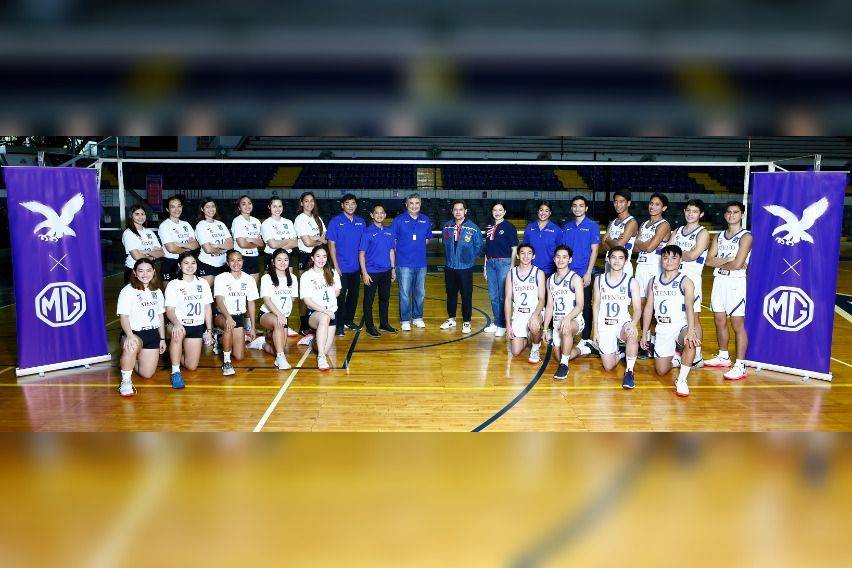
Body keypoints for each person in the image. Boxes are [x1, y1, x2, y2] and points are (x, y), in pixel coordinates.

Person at [640, 245, 700, 398]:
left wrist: (691, 331)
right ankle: (678, 359)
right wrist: (644, 333)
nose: (669, 261)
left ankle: (681, 380)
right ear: (661, 260)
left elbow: (690, 307)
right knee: (661, 371)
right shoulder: (653, 281)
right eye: (665, 257)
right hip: (662, 328)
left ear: (680, 260)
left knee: (691, 341)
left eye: (674, 258)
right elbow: (648, 309)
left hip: (680, 326)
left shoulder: (686, 281)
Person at [704, 201, 752, 380]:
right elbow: (708, 261)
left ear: (742, 215)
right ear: (725, 215)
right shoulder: (719, 236)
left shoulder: (746, 236)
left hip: (736, 283)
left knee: (737, 324)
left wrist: (722, 260)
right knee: (719, 320)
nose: (732, 215)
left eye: (736, 212)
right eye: (729, 212)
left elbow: (739, 265)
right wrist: (729, 259)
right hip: (719, 280)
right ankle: (723, 356)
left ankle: (740, 365)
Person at [591, 246, 641, 389]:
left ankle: (629, 371)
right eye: (613, 257)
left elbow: (637, 308)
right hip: (604, 324)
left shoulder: (631, 281)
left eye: (620, 258)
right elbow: (596, 305)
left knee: (632, 334)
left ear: (626, 261)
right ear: (608, 259)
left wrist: (633, 323)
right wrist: (595, 330)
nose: (616, 261)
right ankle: (620, 353)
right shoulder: (599, 280)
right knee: (608, 366)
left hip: (622, 323)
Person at [116, 258, 166, 397]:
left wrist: (162, 339)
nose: (145, 274)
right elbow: (124, 317)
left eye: (148, 270)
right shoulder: (128, 291)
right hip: (134, 333)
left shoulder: (157, 290)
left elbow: (160, 317)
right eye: (141, 271)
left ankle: (131, 359)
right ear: (134, 272)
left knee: (147, 374)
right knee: (131, 345)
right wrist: (130, 335)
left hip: (152, 334)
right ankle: (125, 381)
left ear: (153, 272)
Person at [164, 252, 214, 389]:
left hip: (196, 326)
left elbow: (207, 308)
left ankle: (174, 352)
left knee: (191, 366)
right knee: (178, 333)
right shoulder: (174, 285)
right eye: (186, 263)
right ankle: (175, 371)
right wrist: (177, 324)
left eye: (193, 263)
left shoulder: (203, 283)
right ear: (179, 265)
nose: (190, 266)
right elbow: (169, 310)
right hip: (179, 324)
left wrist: (209, 331)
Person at [671, 199, 709, 368]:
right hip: (674, 277)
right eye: (688, 210)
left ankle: (698, 355)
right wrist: (678, 255)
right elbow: (668, 252)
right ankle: (678, 352)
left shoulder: (703, 233)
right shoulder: (678, 230)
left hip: (692, 278)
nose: (690, 214)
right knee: (676, 316)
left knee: (694, 317)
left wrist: (675, 255)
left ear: (700, 214)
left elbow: (693, 255)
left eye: (694, 211)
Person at [542, 245, 590, 380]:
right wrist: (545, 329)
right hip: (557, 322)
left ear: (570, 260)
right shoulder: (550, 280)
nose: (561, 260)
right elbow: (550, 306)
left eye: (564, 257)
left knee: (566, 330)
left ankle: (564, 366)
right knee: (558, 356)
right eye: (558, 257)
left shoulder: (575, 278)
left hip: (574, 320)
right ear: (554, 259)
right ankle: (583, 348)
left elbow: (580, 305)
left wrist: (568, 318)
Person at [633, 193, 671, 357]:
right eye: (651, 203)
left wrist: (641, 244)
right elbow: (635, 249)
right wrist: (642, 245)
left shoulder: (664, 225)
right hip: (641, 266)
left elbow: (649, 247)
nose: (652, 206)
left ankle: (656, 341)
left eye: (657, 204)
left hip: (655, 266)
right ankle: (645, 340)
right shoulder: (644, 224)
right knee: (640, 307)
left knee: (654, 307)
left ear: (664, 208)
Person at [440, 200, 483, 334]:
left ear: (465, 211)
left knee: (466, 295)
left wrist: (469, 260)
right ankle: (451, 319)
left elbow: (479, 246)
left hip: (465, 268)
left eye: (460, 209)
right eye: (455, 209)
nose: (458, 212)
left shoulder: (473, 228)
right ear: (452, 211)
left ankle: (466, 322)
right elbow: (445, 245)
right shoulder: (447, 226)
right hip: (450, 267)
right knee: (451, 295)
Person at [327, 193, 367, 336]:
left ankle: (349, 320)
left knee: (354, 296)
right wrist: (336, 266)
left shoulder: (361, 222)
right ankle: (338, 324)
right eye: (347, 203)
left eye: (353, 203)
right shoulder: (335, 221)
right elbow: (331, 244)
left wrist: (363, 268)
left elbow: (364, 246)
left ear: (356, 205)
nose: (350, 206)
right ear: (342, 205)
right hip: (341, 267)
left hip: (356, 267)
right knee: (339, 297)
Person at [391, 193, 432, 331]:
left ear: (420, 204)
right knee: (404, 293)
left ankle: (418, 317)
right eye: (411, 203)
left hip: (421, 263)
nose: (414, 206)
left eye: (417, 203)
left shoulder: (425, 220)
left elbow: (427, 239)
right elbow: (393, 241)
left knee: (420, 292)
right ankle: (405, 320)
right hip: (403, 264)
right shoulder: (398, 220)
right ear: (406, 205)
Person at [213, 250, 259, 376]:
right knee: (229, 325)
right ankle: (226, 362)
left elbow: (251, 303)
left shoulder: (249, 279)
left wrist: (253, 328)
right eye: (232, 260)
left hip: (239, 317)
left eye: (239, 260)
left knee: (239, 356)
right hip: (222, 315)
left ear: (243, 261)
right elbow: (219, 301)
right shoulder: (221, 278)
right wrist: (228, 317)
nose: (236, 263)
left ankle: (219, 338)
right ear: (228, 263)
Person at [562, 195, 600, 343]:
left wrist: (589, 272)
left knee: (585, 305)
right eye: (575, 205)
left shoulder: (592, 225)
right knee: (568, 303)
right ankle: (568, 332)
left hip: (584, 272)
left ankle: (585, 339)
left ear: (586, 208)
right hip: (568, 273)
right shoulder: (567, 226)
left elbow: (595, 250)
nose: (578, 208)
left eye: (581, 205)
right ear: (572, 208)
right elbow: (564, 251)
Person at [261, 196, 299, 337]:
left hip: (286, 258)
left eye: (280, 206)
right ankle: (269, 328)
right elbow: (272, 245)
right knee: (274, 291)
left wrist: (280, 242)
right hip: (271, 258)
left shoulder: (288, 222)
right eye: (274, 206)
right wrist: (286, 241)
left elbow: (295, 242)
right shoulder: (266, 224)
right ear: (269, 207)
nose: (277, 209)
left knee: (287, 291)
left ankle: (284, 323)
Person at [299, 245, 342, 371]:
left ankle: (312, 340)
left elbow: (337, 291)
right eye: (318, 256)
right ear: (312, 258)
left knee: (325, 347)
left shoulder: (332, 272)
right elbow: (307, 300)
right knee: (324, 318)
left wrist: (330, 300)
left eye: (324, 256)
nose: (321, 259)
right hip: (315, 313)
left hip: (332, 313)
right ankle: (321, 358)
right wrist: (324, 309)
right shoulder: (306, 276)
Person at [359, 204, 397, 338]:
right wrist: (364, 273)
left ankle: (384, 323)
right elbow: (362, 254)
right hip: (371, 272)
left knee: (384, 299)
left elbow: (391, 251)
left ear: (385, 215)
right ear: (372, 215)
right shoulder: (367, 232)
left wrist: (393, 269)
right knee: (368, 301)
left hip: (386, 271)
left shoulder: (389, 231)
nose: (379, 215)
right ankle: (369, 327)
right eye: (376, 213)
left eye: (382, 213)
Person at [259, 249, 299, 370]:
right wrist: (279, 315)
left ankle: (262, 344)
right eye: (279, 259)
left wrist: (283, 314)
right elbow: (267, 300)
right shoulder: (267, 278)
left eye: (286, 260)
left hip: (283, 317)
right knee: (277, 322)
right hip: (266, 314)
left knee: (278, 348)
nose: (283, 262)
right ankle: (280, 359)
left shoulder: (292, 278)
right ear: (273, 262)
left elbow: (292, 298)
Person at [504, 243, 546, 361]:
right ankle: (529, 337)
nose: (526, 256)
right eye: (522, 253)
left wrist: (535, 315)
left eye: (529, 253)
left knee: (533, 324)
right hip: (518, 315)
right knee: (516, 352)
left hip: (535, 312)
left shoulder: (539, 273)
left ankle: (535, 347)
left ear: (533, 256)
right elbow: (507, 299)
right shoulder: (511, 274)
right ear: (517, 256)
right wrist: (508, 325)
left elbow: (542, 299)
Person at [294, 191, 327, 337]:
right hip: (305, 256)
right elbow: (306, 242)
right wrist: (317, 239)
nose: (309, 203)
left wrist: (316, 239)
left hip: (319, 255)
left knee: (317, 289)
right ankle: (303, 323)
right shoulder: (299, 219)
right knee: (305, 291)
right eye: (306, 201)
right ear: (301, 203)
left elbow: (325, 238)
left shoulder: (318, 218)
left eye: (311, 201)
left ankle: (314, 321)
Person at [484, 200, 518, 336]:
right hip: (491, 264)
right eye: (494, 210)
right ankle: (497, 322)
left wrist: (511, 267)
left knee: (504, 296)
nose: (497, 213)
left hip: (504, 263)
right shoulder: (489, 227)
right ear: (492, 212)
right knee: (493, 296)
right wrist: (485, 267)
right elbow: (487, 249)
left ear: (504, 212)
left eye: (500, 210)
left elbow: (514, 249)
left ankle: (503, 324)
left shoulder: (509, 227)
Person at [158, 195, 200, 285]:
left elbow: (196, 245)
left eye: (179, 206)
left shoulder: (186, 224)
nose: (177, 209)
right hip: (170, 263)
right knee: (170, 295)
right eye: (173, 207)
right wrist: (188, 246)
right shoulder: (164, 226)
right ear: (167, 209)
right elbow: (172, 249)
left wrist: (179, 244)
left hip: (187, 262)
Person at [195, 198, 233, 288]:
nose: (211, 209)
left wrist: (217, 246)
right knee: (206, 294)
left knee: (220, 295)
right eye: (207, 207)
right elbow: (208, 249)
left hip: (223, 265)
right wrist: (223, 249)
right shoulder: (201, 225)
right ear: (202, 209)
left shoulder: (221, 224)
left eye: (213, 206)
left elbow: (231, 245)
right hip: (207, 264)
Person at [121, 204, 164, 284]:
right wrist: (153, 257)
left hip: (149, 270)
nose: (140, 217)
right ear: (131, 216)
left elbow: (161, 252)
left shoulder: (149, 232)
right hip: (134, 271)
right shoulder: (128, 233)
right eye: (137, 214)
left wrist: (146, 252)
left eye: (142, 214)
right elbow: (137, 256)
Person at [601, 190, 638, 277]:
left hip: (623, 265)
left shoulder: (631, 222)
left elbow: (619, 245)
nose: (618, 205)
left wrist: (608, 239)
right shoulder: (612, 222)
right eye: (616, 202)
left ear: (628, 203)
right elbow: (603, 246)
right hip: (609, 263)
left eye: (621, 202)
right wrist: (614, 242)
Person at [231, 195, 264, 285]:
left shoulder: (256, 221)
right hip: (241, 258)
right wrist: (255, 242)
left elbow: (262, 243)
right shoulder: (237, 221)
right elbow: (242, 244)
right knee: (240, 289)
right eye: (243, 204)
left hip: (255, 258)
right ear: (239, 207)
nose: (247, 206)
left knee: (252, 289)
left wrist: (250, 239)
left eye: (249, 203)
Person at [522, 200, 561, 276]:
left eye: (546, 211)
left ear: (550, 213)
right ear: (538, 211)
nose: (543, 213)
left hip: (550, 271)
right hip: (531, 270)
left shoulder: (557, 230)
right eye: (541, 210)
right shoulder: (529, 227)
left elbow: (559, 251)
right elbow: (524, 249)